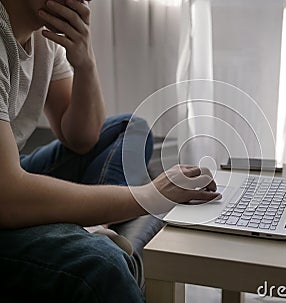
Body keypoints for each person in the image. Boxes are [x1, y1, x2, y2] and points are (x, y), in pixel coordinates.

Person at [0, 0, 220, 301]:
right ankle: (85, 235)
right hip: (7, 190)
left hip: (11, 170)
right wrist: (148, 196)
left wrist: (85, 62)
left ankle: (91, 226)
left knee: (128, 129)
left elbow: (82, 137)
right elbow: (7, 196)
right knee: (103, 265)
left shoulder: (43, 35)